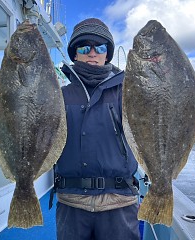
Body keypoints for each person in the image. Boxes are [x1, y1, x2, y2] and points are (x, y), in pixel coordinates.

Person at [52, 18, 140, 240]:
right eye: (84, 47)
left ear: (107, 54)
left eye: (99, 47)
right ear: (74, 54)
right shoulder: (58, 93)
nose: (92, 53)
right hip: (72, 202)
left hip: (118, 202)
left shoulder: (128, 91)